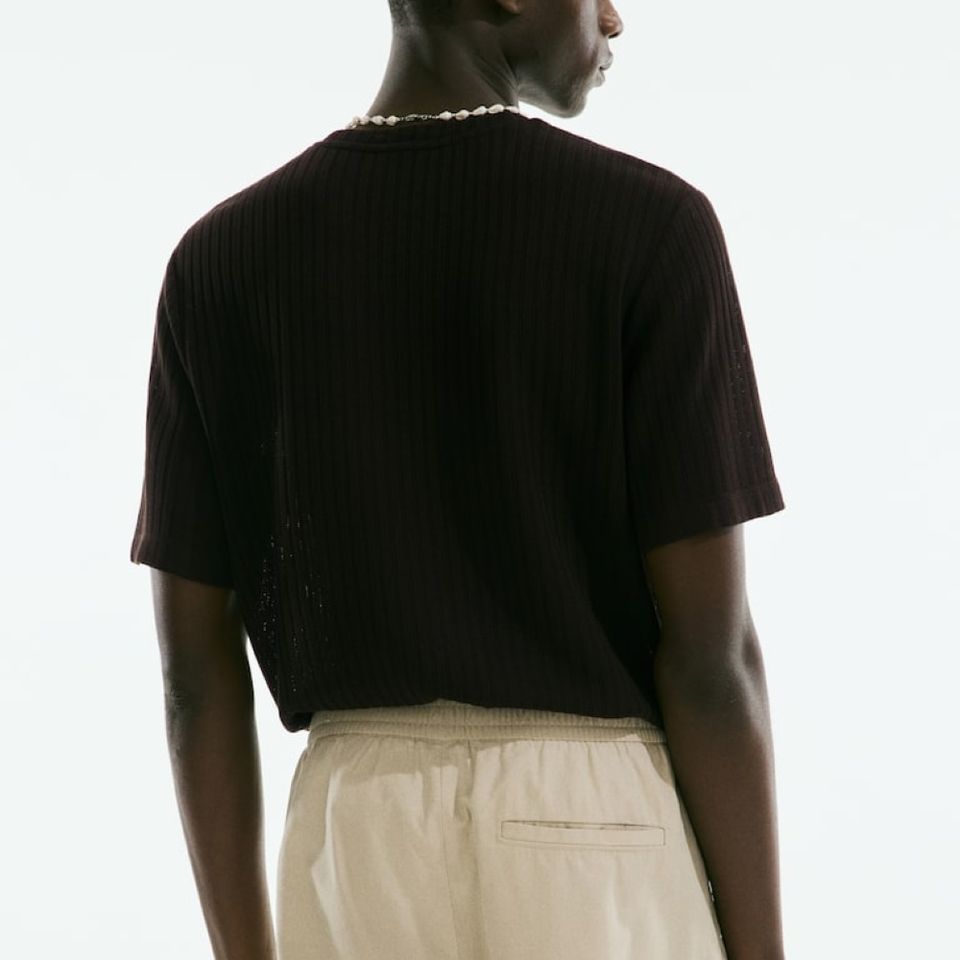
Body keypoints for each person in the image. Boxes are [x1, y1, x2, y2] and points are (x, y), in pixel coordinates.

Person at [130, 1, 788, 958]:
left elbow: (194, 677)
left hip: (353, 830)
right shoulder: (650, 227)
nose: (613, 17)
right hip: (590, 821)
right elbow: (709, 662)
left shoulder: (219, 261)